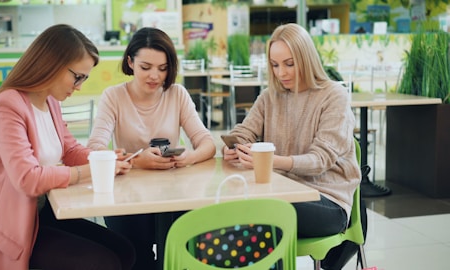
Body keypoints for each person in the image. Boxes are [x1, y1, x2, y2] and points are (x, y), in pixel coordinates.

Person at [0, 24, 136, 270]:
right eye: (77, 76)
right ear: (52, 64)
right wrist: (90, 170)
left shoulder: (51, 102)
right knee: (104, 262)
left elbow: (69, 151)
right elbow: (27, 178)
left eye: (84, 78)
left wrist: (109, 157)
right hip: (9, 226)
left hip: (40, 215)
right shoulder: (9, 105)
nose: (79, 86)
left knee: (125, 250)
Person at [87, 27, 216, 269]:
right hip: (127, 200)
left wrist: (189, 157)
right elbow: (95, 149)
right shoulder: (113, 97)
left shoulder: (177, 93)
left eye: (162, 68)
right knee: (137, 258)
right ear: (130, 62)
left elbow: (207, 143)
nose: (154, 76)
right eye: (146, 67)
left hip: (173, 195)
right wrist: (136, 162)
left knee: (177, 256)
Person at [223, 23, 361, 238]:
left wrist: (269, 160)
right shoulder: (270, 96)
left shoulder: (334, 95)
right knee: (232, 208)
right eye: (274, 65)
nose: (281, 73)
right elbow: (244, 131)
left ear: (306, 59)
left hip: (327, 200)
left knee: (260, 214)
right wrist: (235, 147)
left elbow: (320, 160)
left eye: (289, 64)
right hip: (280, 190)